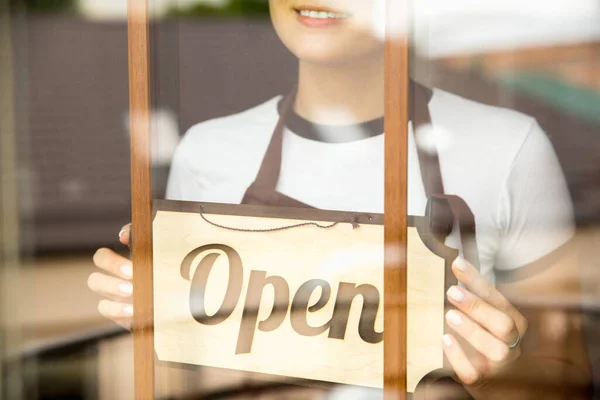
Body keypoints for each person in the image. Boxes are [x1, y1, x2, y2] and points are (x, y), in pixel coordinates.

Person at [88, 0, 591, 398]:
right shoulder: (204, 152)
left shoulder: (509, 148)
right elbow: (199, 367)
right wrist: (165, 317)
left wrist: (499, 377)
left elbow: (568, 382)